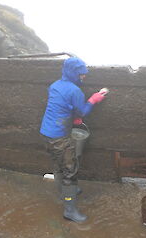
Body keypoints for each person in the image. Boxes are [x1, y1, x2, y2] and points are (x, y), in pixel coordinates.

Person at [40, 57, 106, 223]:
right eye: (81, 74)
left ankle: (65, 193)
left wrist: (72, 117)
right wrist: (93, 99)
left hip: (46, 133)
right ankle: (69, 210)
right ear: (73, 73)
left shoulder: (54, 85)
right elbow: (82, 111)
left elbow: (61, 106)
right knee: (70, 172)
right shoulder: (75, 91)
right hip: (59, 137)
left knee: (57, 165)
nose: (83, 77)